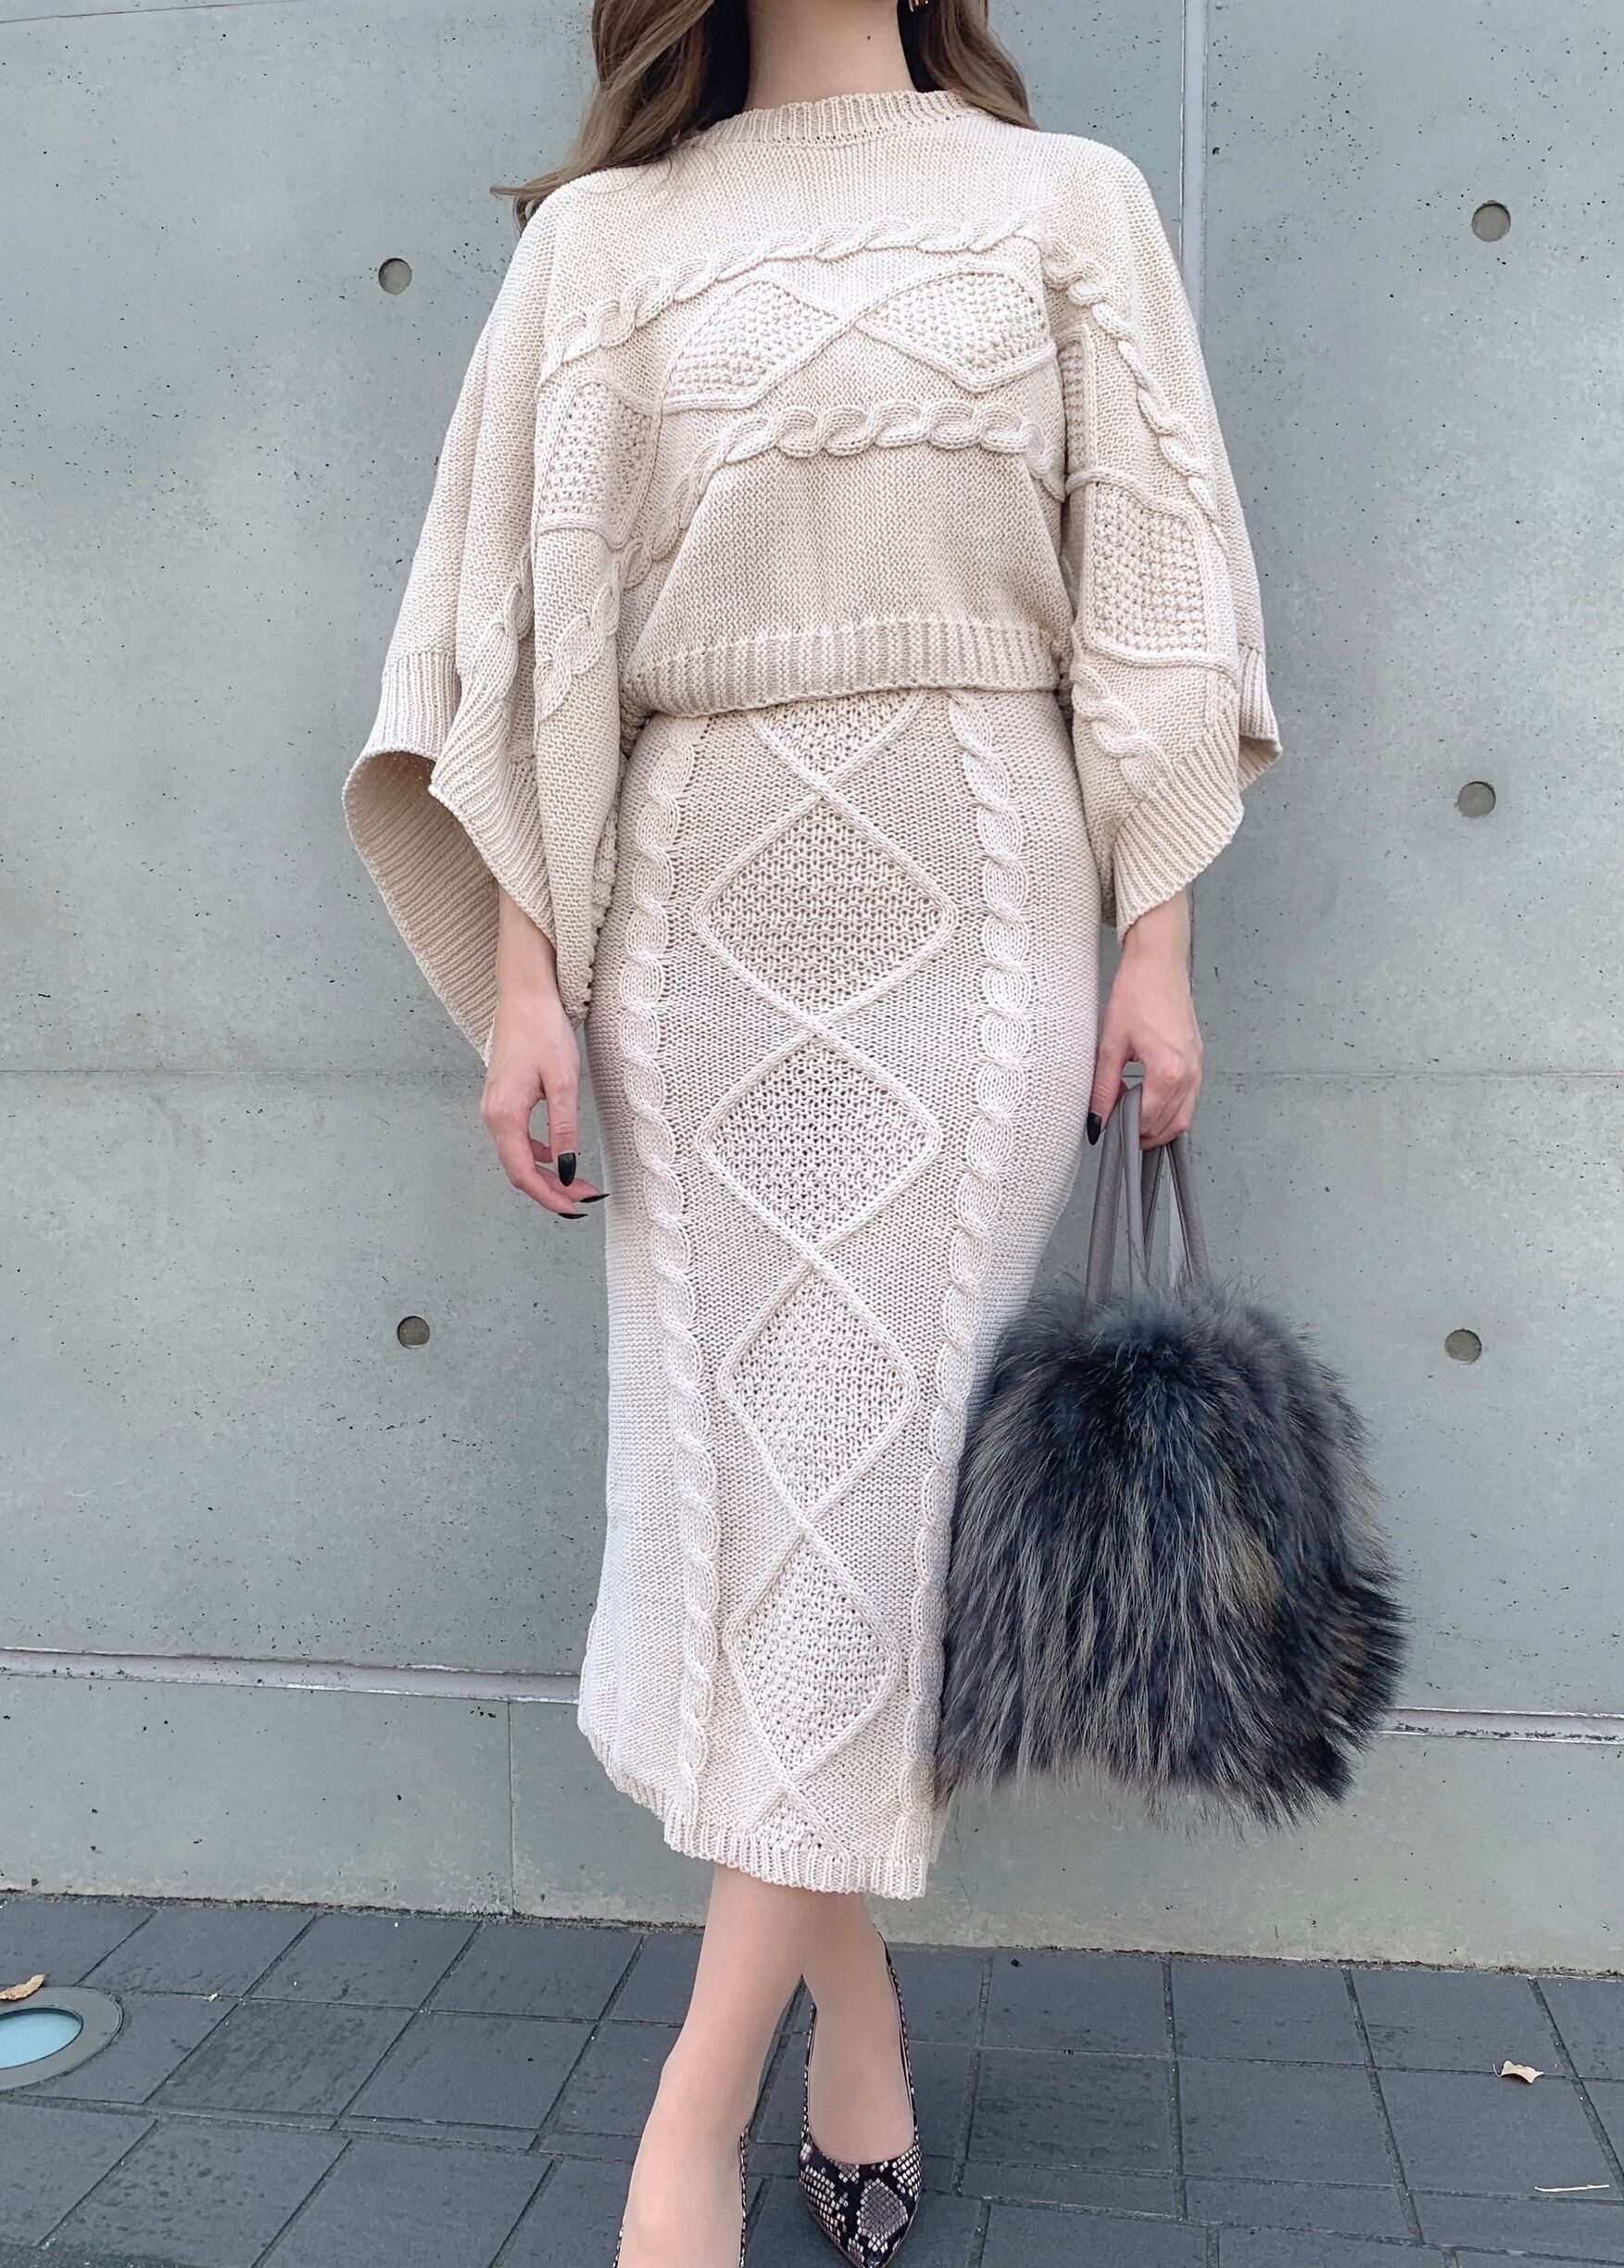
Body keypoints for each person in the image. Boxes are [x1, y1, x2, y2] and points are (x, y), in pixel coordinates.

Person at [342, 3, 1279, 2260]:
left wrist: (1156, 943)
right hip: (694, 920)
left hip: (977, 901)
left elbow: (1157, 597)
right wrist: (532, 985)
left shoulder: (1063, 208)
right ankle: (850, 2027)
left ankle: (687, 2118)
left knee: (861, 1501)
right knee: (767, 1512)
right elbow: (517, 635)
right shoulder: (600, 241)